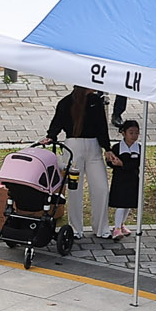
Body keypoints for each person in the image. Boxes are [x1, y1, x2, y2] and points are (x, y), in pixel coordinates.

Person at [45, 84, 111, 239]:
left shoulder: (96, 101)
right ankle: (75, 228)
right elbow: (57, 123)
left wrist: (107, 148)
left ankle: (101, 228)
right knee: (75, 189)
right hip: (73, 148)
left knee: (101, 188)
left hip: (93, 146)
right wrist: (51, 136)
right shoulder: (66, 102)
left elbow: (102, 127)